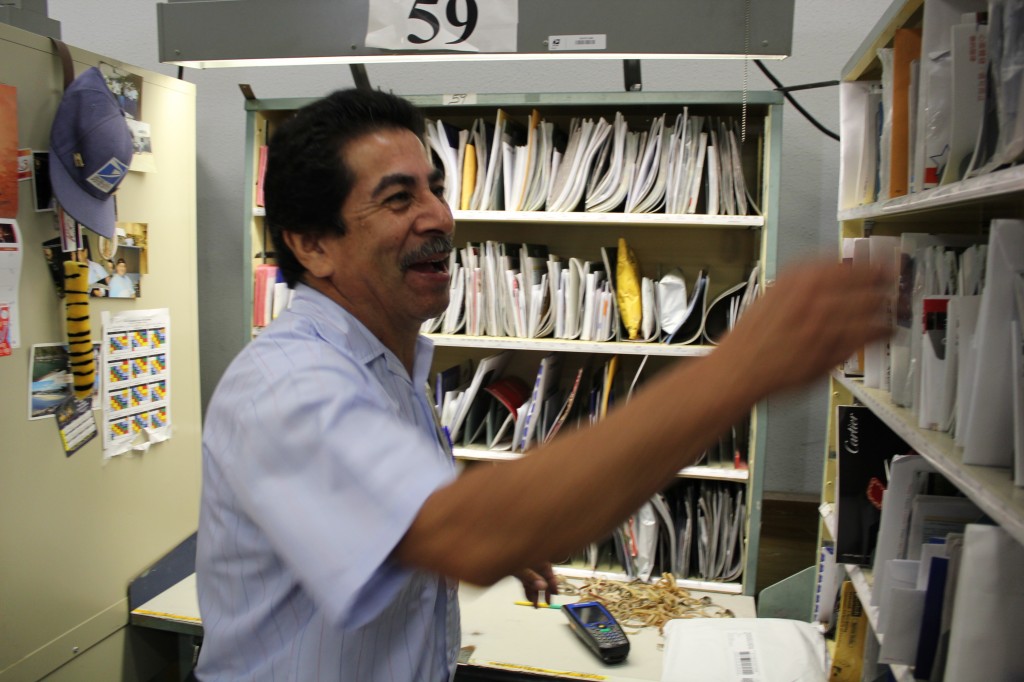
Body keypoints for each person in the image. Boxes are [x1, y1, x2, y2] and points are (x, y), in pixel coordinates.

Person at [195, 89, 892, 681]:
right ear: (312, 244)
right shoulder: (288, 385)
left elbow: (416, 518)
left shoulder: (385, 366)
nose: (439, 216)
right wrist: (743, 367)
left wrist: (508, 528)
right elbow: (467, 536)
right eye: (399, 198)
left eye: (435, 188)